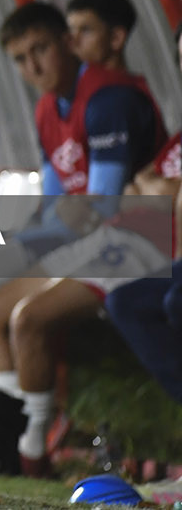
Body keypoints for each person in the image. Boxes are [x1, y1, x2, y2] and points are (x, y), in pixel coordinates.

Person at [0, 1, 164, 476]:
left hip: (140, 242)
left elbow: (101, 206)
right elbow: (56, 204)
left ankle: (33, 452)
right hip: (90, 243)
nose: (33, 67)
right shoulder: (46, 108)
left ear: (67, 44)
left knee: (26, 319)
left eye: (40, 49)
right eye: (20, 58)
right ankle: (12, 430)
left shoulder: (109, 100)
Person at [104, 23, 182, 402]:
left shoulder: (121, 103)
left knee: (176, 300)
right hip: (155, 248)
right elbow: (142, 186)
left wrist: (160, 191)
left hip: (153, 246)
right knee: (126, 300)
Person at [65, 0, 136, 71]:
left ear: (116, 38)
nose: (74, 41)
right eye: (71, 30)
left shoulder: (118, 84)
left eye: (86, 30)